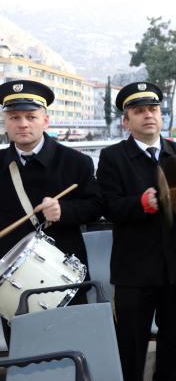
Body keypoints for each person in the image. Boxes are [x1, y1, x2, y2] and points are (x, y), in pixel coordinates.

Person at [97, 81, 176, 381]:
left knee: (175, 345)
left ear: (162, 115)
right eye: (139, 111)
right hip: (134, 272)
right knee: (130, 348)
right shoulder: (112, 157)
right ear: (126, 121)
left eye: (154, 109)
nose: (148, 115)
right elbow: (107, 206)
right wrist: (141, 204)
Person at [0, 80, 104, 345]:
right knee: (24, 351)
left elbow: (96, 206)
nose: (23, 124)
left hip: (66, 274)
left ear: (45, 121)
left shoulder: (76, 161)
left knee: (74, 346)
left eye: (31, 117)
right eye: (14, 117)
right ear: (5, 122)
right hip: (12, 281)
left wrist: (64, 210)